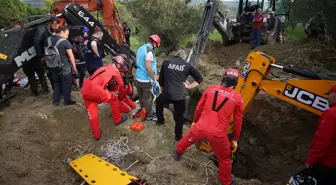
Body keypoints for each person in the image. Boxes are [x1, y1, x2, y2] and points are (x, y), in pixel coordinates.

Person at [173, 68, 244, 185]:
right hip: (218, 134)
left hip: (201, 127)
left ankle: (177, 153)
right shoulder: (237, 98)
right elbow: (238, 122)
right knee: (225, 159)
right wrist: (235, 139)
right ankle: (226, 182)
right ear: (236, 82)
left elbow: (199, 107)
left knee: (187, 139)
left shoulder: (211, 89)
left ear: (223, 78)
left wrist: (195, 121)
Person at [155, 50, 203, 141]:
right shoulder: (187, 65)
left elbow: (161, 78)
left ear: (175, 55)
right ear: (183, 58)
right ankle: (178, 136)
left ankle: (160, 121)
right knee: (179, 117)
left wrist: (162, 87)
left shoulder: (166, 62)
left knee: (158, 101)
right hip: (180, 96)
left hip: (168, 93)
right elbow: (199, 79)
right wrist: (189, 86)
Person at [81, 64, 128, 140]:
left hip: (85, 88)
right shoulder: (115, 70)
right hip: (96, 89)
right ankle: (117, 120)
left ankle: (97, 135)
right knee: (114, 100)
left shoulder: (105, 67)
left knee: (92, 114)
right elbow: (122, 86)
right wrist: (121, 97)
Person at [304, 86, 336, 185]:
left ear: (333, 95)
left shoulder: (331, 114)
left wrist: (310, 160)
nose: (327, 99)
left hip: (326, 163)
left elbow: (322, 141)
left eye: (329, 95)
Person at [44, 26, 78, 106]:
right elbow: (71, 56)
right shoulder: (65, 42)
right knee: (67, 83)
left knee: (56, 83)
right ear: (62, 32)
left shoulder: (47, 40)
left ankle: (55, 101)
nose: (67, 36)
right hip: (64, 66)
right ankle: (67, 101)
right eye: (67, 34)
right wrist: (74, 68)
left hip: (52, 65)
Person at [133, 34, 161, 121]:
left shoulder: (140, 48)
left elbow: (138, 62)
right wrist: (153, 79)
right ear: (156, 44)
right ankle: (149, 116)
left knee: (141, 96)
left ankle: (142, 109)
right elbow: (148, 67)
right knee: (148, 98)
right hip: (146, 80)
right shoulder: (149, 52)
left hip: (138, 78)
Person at [33, 15, 60, 91]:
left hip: (55, 54)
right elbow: (37, 43)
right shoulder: (41, 30)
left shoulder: (55, 30)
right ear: (50, 23)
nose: (56, 28)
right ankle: (54, 90)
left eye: (58, 26)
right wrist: (41, 56)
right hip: (46, 55)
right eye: (55, 26)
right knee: (50, 73)